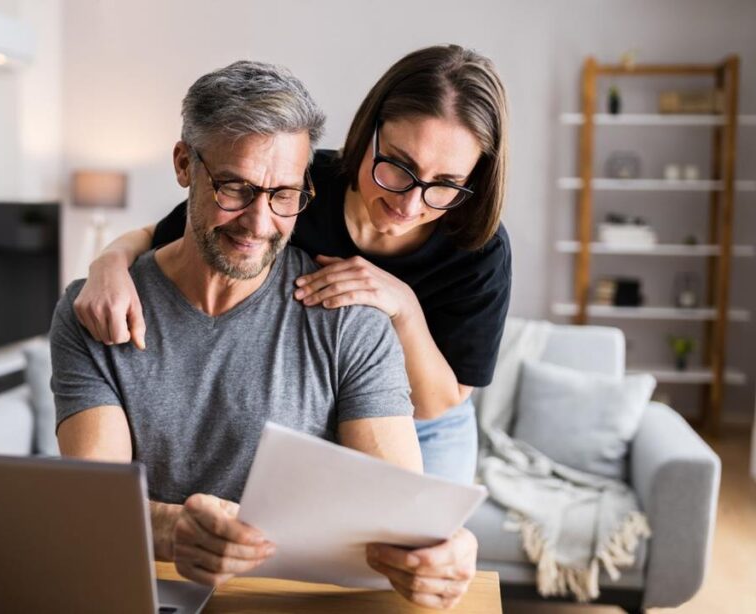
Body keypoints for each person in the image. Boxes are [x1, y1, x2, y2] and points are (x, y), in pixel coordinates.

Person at [53, 60, 477, 610]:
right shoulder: (98, 311)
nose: (258, 223)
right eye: (235, 188)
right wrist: (171, 529)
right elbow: (92, 502)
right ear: (184, 165)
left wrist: (451, 547)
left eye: (284, 195)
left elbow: (399, 515)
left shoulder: (351, 318)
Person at [74, 44, 511, 486]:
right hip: (334, 402)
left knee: (421, 544)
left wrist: (403, 306)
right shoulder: (292, 183)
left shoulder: (478, 247)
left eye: (446, 184)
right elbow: (163, 235)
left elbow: (439, 402)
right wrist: (108, 264)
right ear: (368, 132)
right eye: (398, 166)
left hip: (428, 424)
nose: (409, 202)